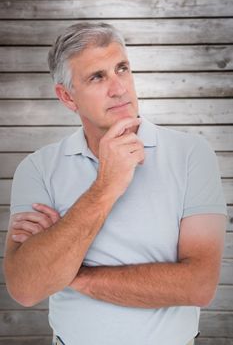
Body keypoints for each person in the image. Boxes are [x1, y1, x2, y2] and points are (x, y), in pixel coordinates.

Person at [3, 22, 227, 345]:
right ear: (67, 97)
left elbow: (199, 285)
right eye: (97, 77)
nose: (119, 87)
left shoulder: (191, 155)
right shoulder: (37, 169)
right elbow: (25, 287)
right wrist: (105, 187)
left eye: (122, 69)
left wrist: (67, 272)